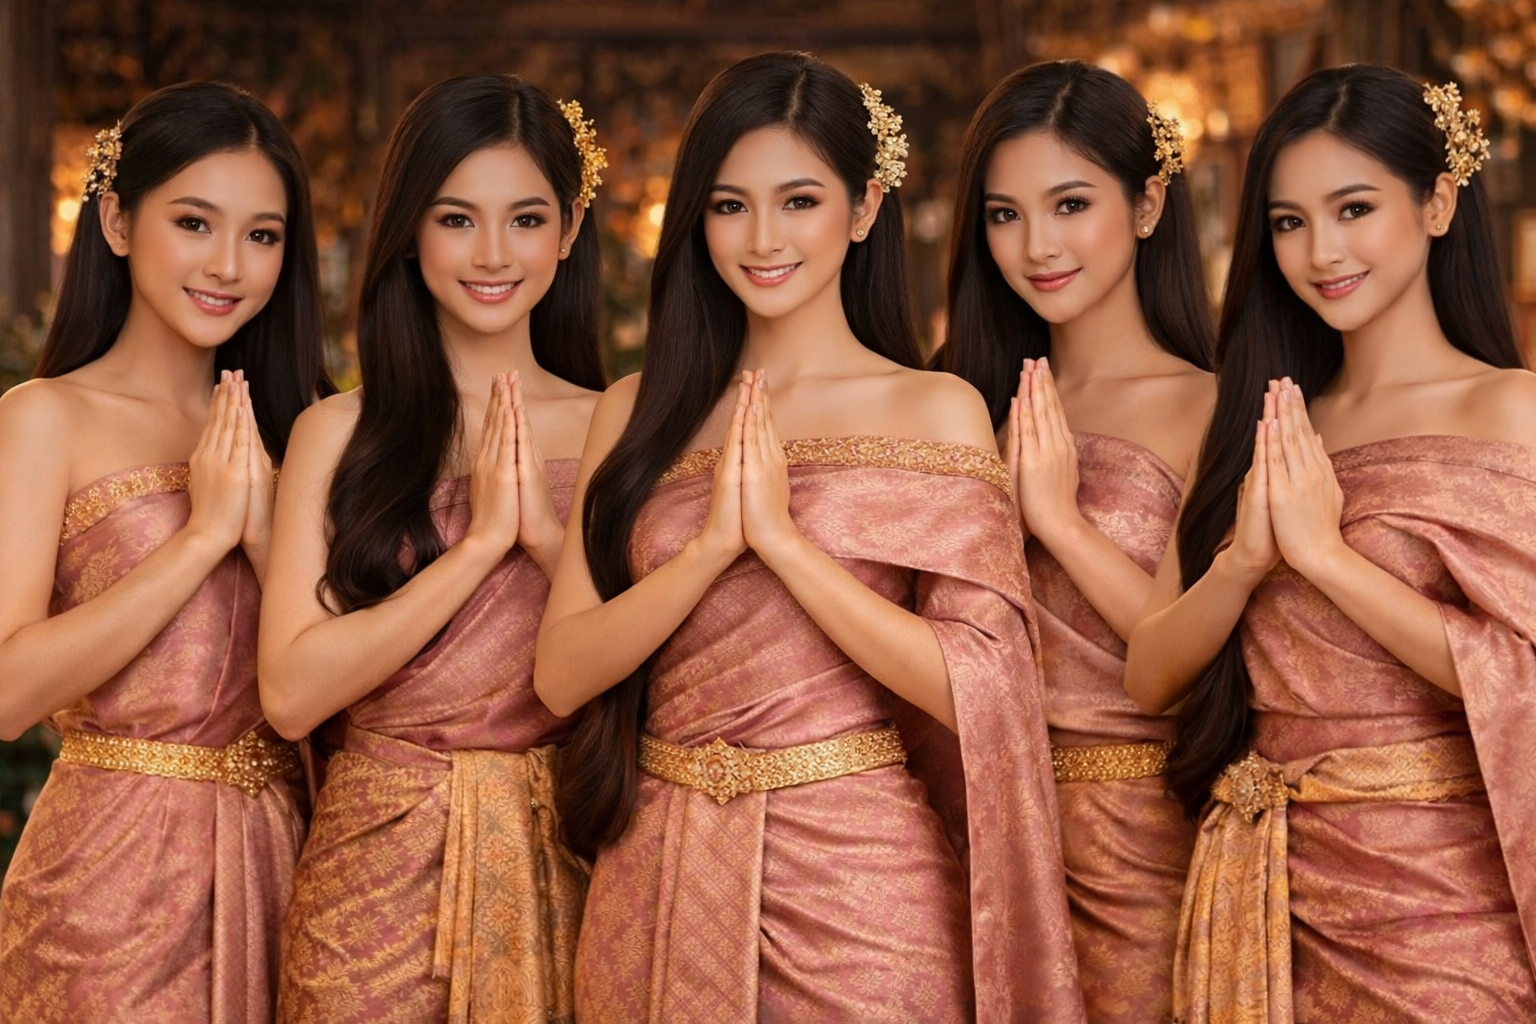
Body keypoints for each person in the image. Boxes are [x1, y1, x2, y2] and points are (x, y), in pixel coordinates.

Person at [536, 51, 1083, 1024]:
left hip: (860, 882)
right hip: (656, 863)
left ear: (864, 207)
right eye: (730, 203)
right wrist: (709, 548)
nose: (762, 237)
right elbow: (564, 672)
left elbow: (991, 681)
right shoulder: (636, 411)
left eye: (798, 200)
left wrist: (785, 547)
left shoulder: (934, 409)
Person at [1125, 64, 1536, 1022]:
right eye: (1290, 221)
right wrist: (1246, 564)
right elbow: (1150, 673)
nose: (1321, 251)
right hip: (1260, 886)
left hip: (1440, 896)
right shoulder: (1262, 417)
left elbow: (1518, 667)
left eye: (1354, 209)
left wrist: (1327, 558)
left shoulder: (1509, 409)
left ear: (1437, 204)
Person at [259, 74, 605, 1024]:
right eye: (457, 219)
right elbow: (290, 692)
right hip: (370, 875)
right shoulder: (340, 433)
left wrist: (538, 536)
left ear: (569, 230)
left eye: (525, 219)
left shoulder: (622, 425)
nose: (492, 254)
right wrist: (479, 545)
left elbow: (651, 671)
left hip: (577, 852)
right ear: (410, 229)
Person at [0, 80, 332, 1023]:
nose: (229, 263)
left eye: (262, 236)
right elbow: (6, 691)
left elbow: (347, 685)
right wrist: (199, 540)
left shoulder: (307, 426)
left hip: (294, 863)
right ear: (115, 219)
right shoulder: (45, 419)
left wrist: (264, 530)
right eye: (195, 222)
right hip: (104, 880)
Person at [939, 59, 1215, 1024]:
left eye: (1069, 204)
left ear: (1146, 206)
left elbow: (1204, 652)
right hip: (974, 824)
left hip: (1151, 838)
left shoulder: (1214, 406)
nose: (1036, 245)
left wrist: (1055, 518)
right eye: (1005, 214)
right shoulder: (959, 402)